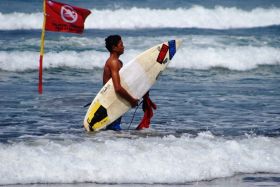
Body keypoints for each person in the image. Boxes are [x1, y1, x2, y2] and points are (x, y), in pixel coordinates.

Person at [103, 35, 139, 131]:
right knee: (113, 128)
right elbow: (118, 88)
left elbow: (123, 83)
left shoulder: (119, 62)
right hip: (111, 101)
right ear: (114, 48)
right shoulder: (113, 62)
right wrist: (131, 100)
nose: (123, 46)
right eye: (121, 44)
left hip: (116, 100)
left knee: (114, 129)